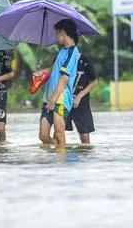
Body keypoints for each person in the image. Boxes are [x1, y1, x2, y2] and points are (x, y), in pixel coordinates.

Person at [35, 19, 80, 148]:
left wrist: (53, 100)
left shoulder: (73, 53)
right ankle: (57, 156)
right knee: (43, 136)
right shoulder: (61, 51)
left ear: (62, 33)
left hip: (60, 99)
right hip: (49, 98)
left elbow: (64, 78)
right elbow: (52, 70)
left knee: (59, 135)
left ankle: (61, 164)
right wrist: (39, 74)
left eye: (56, 34)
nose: (56, 37)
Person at [67, 53, 98, 144]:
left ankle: (85, 156)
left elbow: (94, 81)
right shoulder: (60, 59)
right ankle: (59, 156)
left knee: (84, 135)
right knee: (58, 132)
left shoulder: (85, 60)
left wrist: (79, 96)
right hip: (64, 100)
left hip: (81, 101)